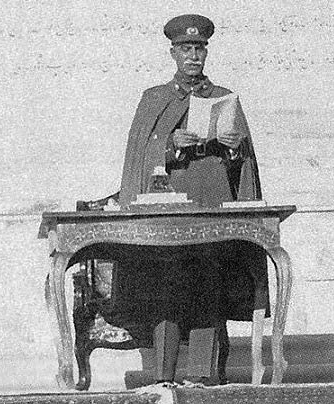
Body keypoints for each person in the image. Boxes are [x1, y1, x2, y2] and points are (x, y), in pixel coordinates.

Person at [114, 14, 268, 385]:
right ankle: (162, 379)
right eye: (186, 48)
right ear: (173, 53)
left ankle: (204, 379)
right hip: (169, 210)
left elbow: (244, 167)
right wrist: (170, 145)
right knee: (166, 290)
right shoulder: (155, 98)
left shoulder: (224, 98)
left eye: (199, 48)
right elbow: (139, 157)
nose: (194, 56)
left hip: (212, 205)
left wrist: (234, 148)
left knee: (209, 290)